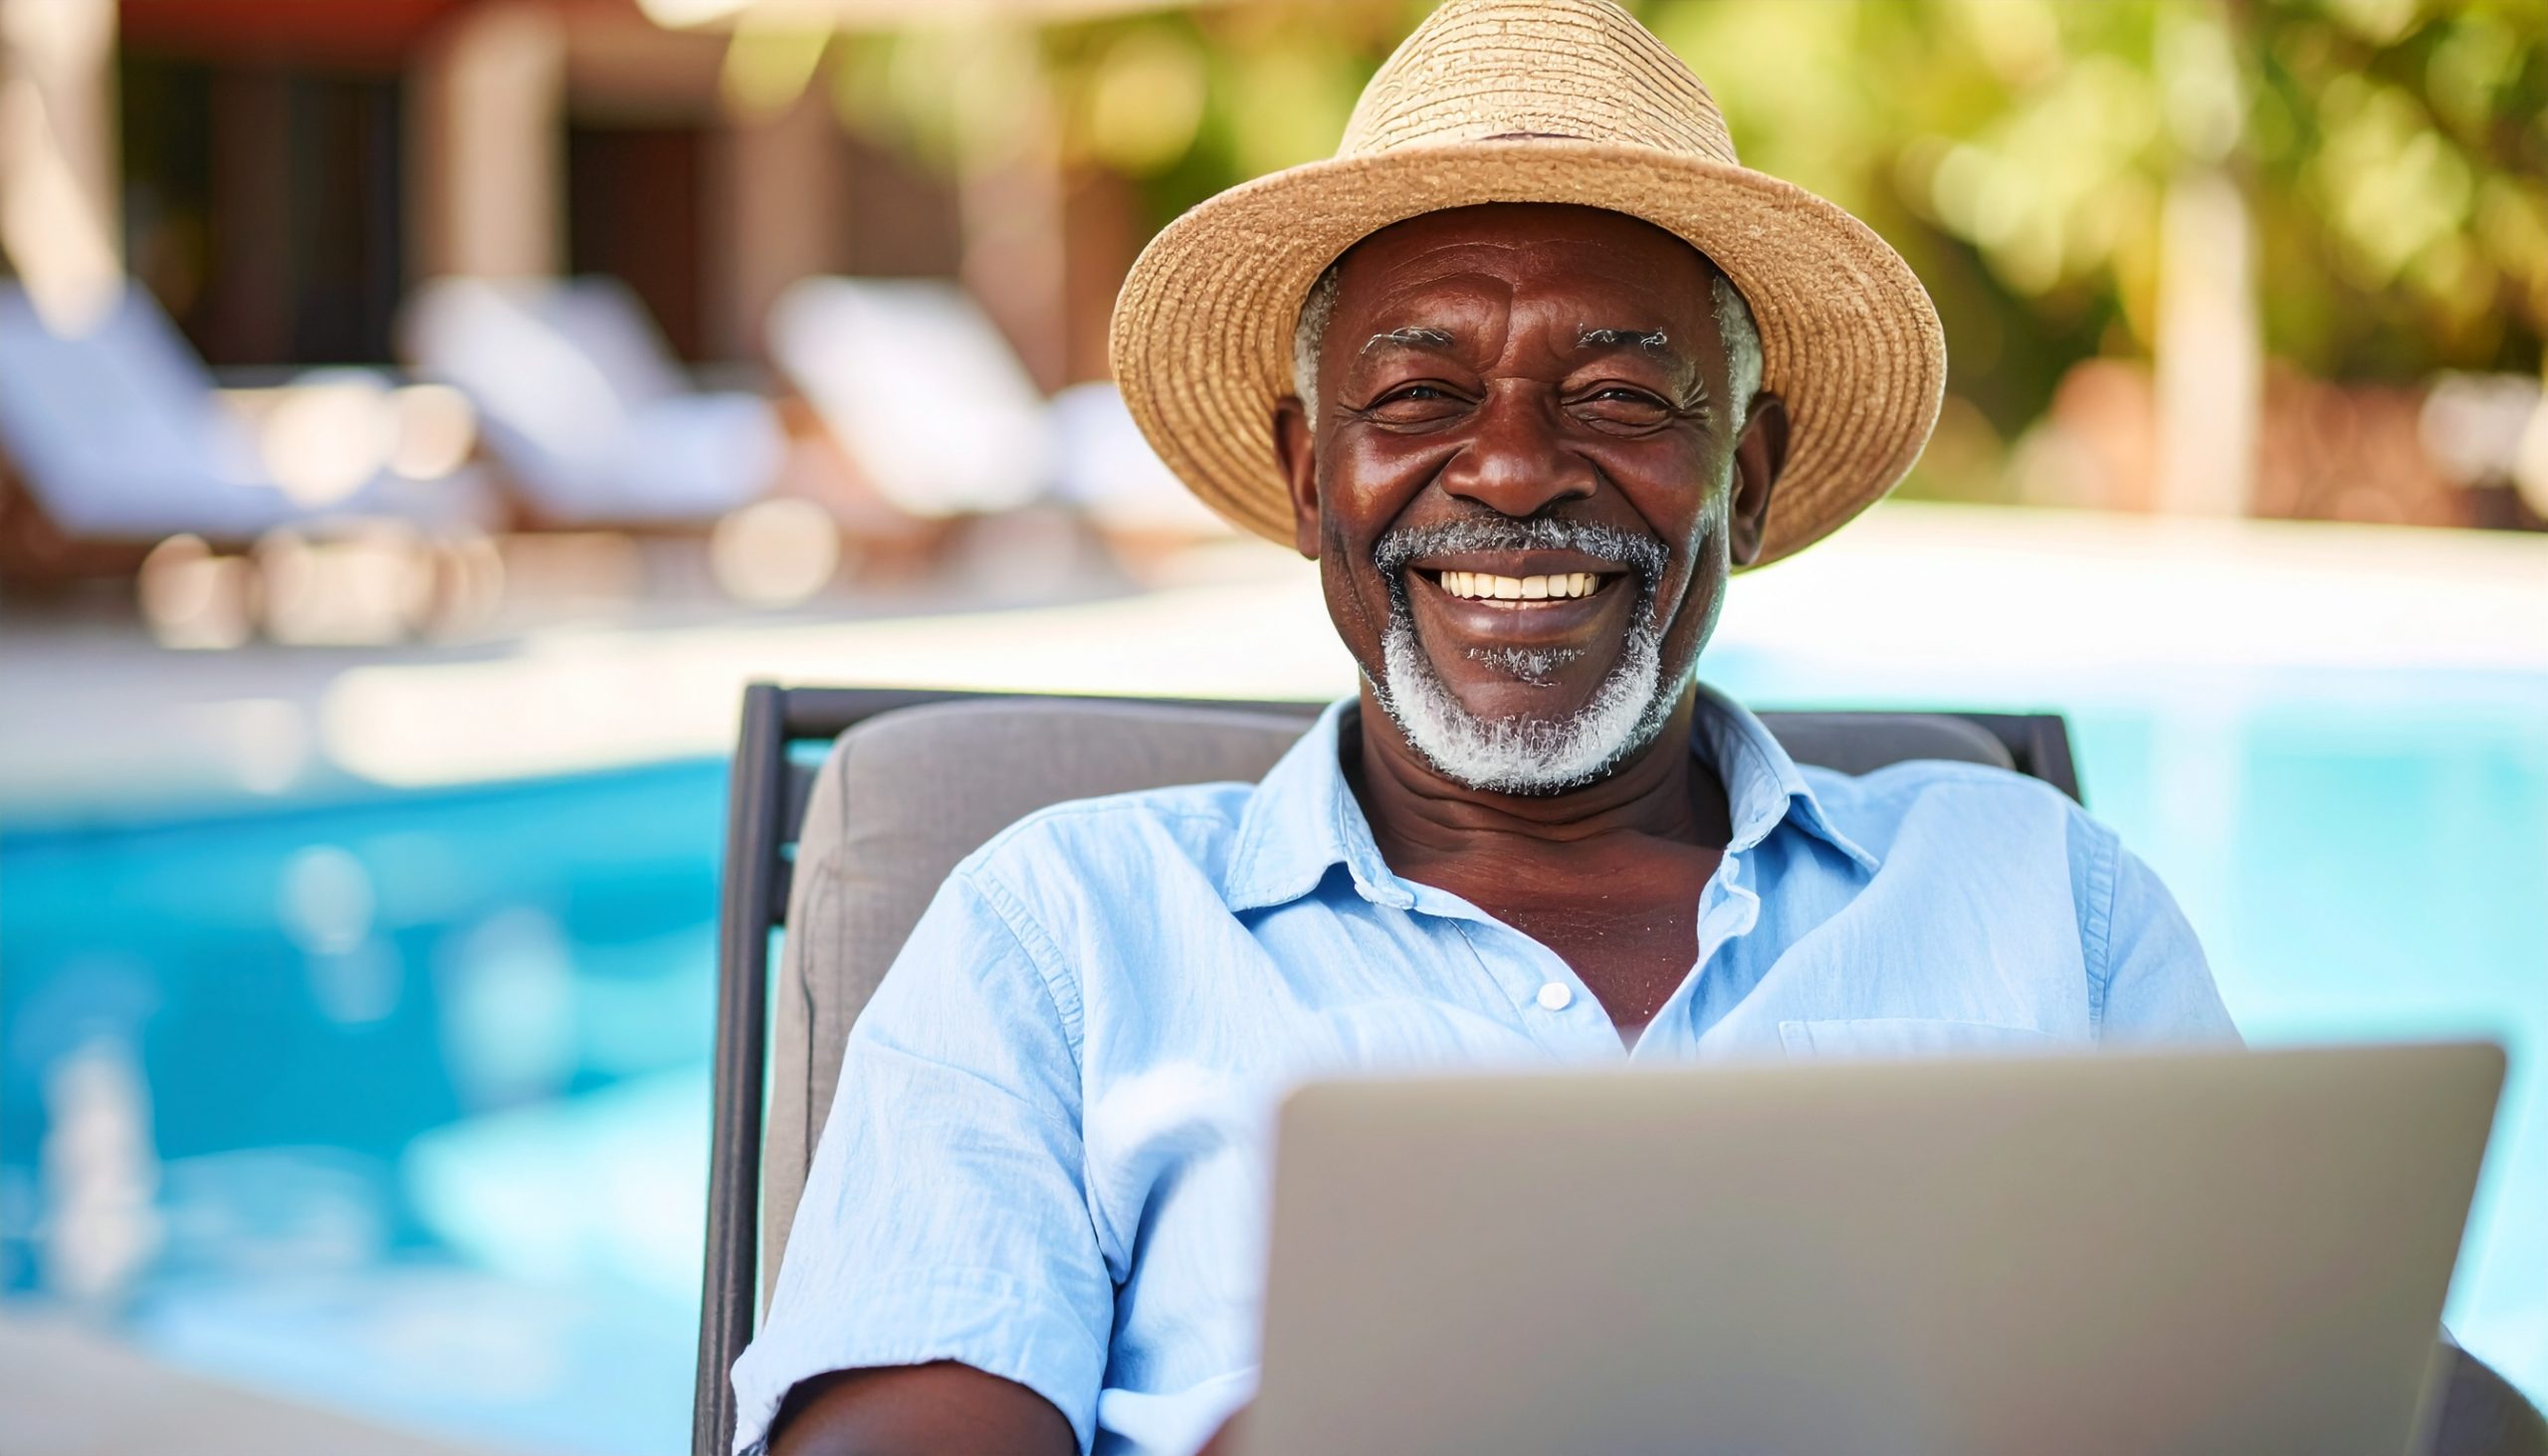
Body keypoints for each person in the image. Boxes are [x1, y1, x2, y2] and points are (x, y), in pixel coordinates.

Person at [734, 3, 2238, 1453]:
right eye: (1420, 393)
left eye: (1620, 396)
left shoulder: (2049, 894)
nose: (1514, 471)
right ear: (1311, 475)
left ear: (1752, 478)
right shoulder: (1060, 931)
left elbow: (2301, 1369)